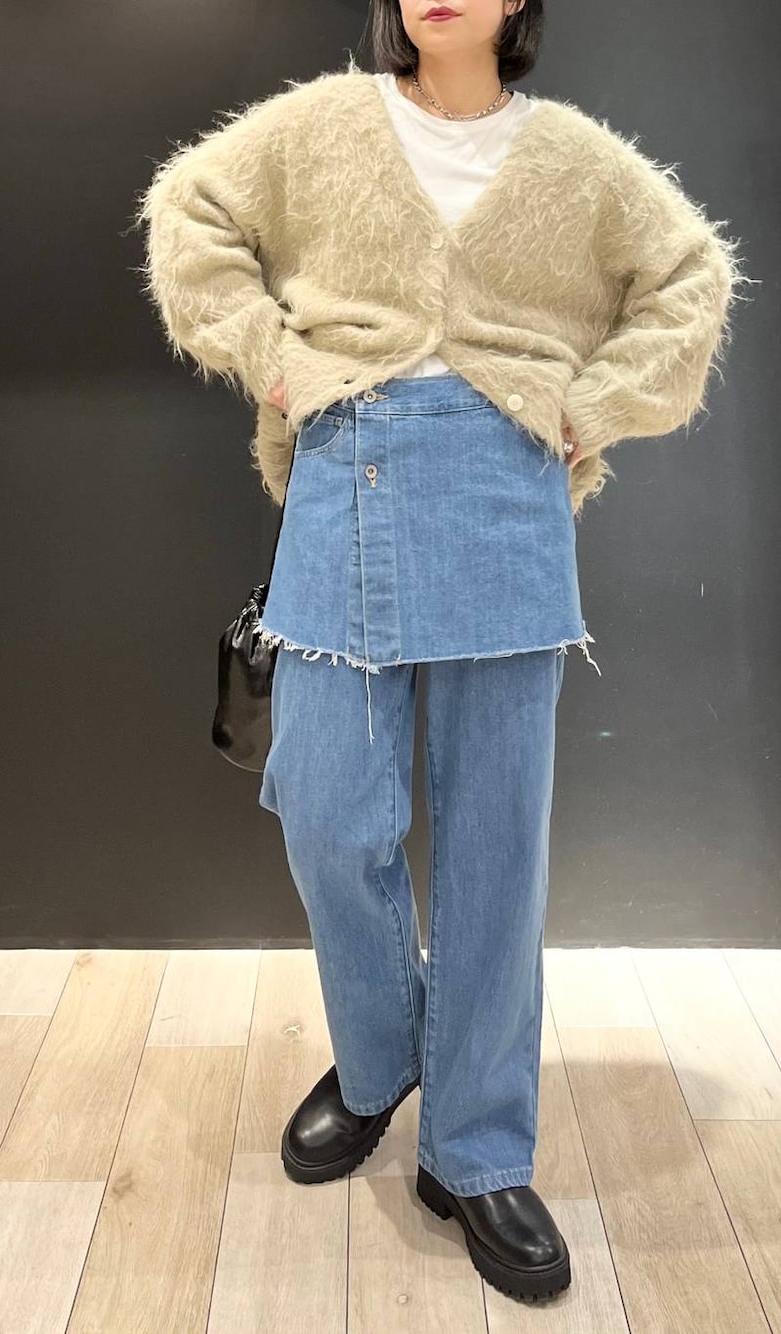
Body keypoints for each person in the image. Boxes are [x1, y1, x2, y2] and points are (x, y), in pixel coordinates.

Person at [134, 0, 745, 1306]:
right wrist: (272, 358)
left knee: (494, 848)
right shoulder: (323, 127)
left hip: (506, 503)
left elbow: (692, 279)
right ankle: (385, 1055)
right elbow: (189, 213)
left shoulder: (573, 159)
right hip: (345, 479)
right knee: (326, 809)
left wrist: (592, 404)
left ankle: (476, 1149)